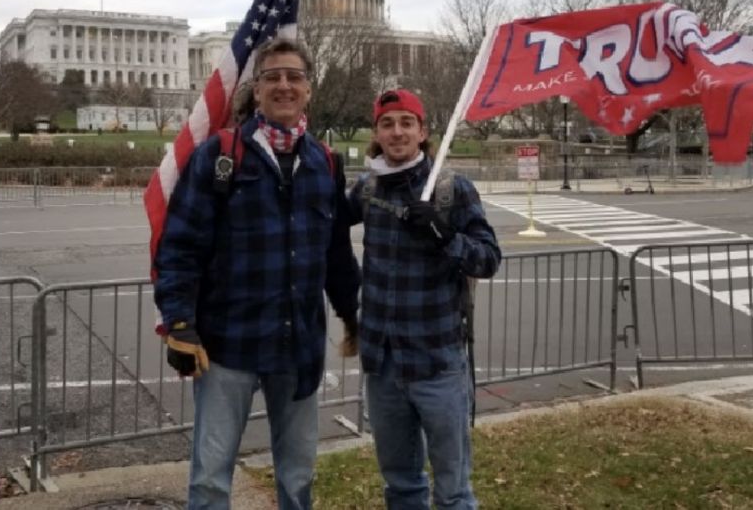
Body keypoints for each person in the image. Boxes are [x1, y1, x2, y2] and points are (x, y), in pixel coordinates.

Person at [153, 37, 361, 510]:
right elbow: (180, 246)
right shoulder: (220, 156)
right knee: (210, 479)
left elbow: (335, 253)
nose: (284, 85)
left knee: (297, 476)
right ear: (257, 88)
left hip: (299, 344)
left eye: (294, 76)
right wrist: (179, 321)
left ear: (309, 88)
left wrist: (353, 314)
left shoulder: (325, 163)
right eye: (273, 77)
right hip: (229, 343)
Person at [341, 89, 501, 510]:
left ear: (423, 130)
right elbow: (325, 222)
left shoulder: (451, 190)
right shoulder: (368, 187)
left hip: (437, 362)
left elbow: (488, 258)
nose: (397, 133)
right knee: (401, 484)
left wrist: (445, 236)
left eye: (406, 123)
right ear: (376, 133)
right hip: (384, 364)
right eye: (388, 124)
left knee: (453, 489)